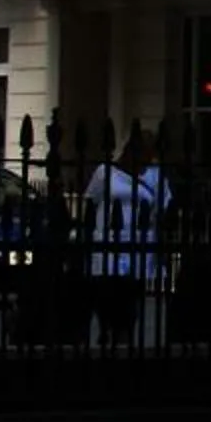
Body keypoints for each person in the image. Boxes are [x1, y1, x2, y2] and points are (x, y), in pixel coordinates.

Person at [81, 126, 163, 344]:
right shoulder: (105, 173)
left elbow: (160, 209)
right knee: (107, 300)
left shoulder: (153, 177)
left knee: (129, 306)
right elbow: (91, 203)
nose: (148, 160)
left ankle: (122, 339)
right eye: (145, 154)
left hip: (136, 249)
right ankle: (107, 334)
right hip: (107, 247)